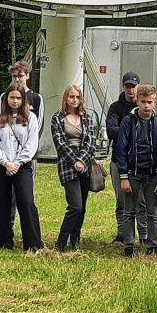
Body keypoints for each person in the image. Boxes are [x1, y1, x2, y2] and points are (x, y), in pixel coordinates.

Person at [0, 83, 43, 251]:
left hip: (22, 166)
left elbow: (32, 144)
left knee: (26, 201)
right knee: (1, 203)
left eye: (19, 98)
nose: (15, 101)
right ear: (6, 99)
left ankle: (33, 243)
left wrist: (17, 163)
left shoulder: (30, 118)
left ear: (23, 99)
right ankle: (0, 241)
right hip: (2, 166)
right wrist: (6, 162)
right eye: (12, 97)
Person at [116, 84, 157, 257]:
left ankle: (152, 245)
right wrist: (123, 176)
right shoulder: (128, 122)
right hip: (132, 173)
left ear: (155, 102)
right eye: (143, 101)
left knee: (152, 211)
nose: (147, 106)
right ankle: (129, 245)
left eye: (150, 102)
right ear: (137, 101)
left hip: (153, 174)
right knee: (129, 210)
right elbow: (121, 150)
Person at [50, 84, 96, 251]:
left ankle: (75, 241)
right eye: (71, 97)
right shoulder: (57, 118)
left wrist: (82, 161)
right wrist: (74, 161)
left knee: (82, 206)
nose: (74, 100)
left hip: (85, 164)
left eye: (77, 97)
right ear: (65, 98)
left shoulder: (87, 117)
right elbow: (60, 143)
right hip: (67, 164)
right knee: (74, 206)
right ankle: (60, 243)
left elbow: (91, 142)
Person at [106, 71, 143, 243]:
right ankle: (122, 234)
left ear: (138, 87)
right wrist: (130, 130)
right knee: (121, 200)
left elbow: (147, 131)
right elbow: (110, 131)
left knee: (141, 201)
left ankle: (144, 234)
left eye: (133, 86)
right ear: (123, 87)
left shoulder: (144, 106)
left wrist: (123, 129)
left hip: (140, 162)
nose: (130, 90)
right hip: (118, 161)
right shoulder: (115, 107)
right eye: (127, 86)